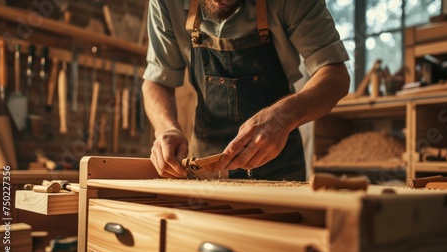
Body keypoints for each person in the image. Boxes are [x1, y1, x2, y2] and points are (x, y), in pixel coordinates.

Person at [142, 0, 350, 181]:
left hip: (279, 165)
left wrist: (283, 115)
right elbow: (157, 81)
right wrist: (166, 128)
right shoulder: (166, 3)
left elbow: (335, 75)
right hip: (206, 165)